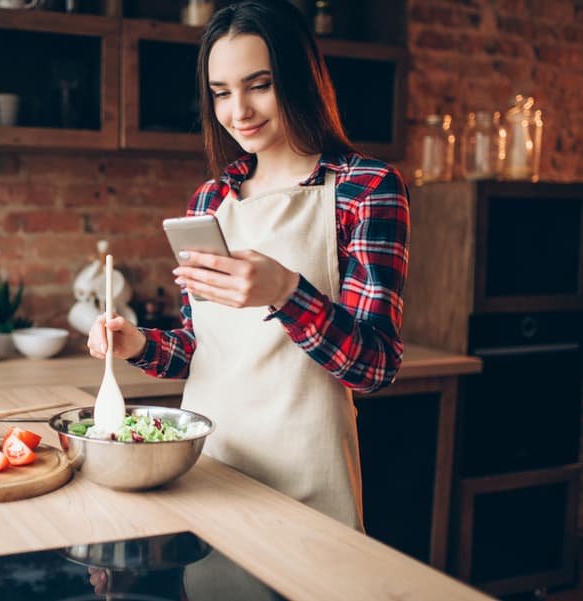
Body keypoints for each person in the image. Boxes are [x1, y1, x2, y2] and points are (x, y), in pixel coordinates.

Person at [87, 0, 409, 531]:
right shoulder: (210, 200)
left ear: (300, 78)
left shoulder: (366, 188)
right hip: (207, 470)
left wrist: (285, 291)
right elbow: (202, 349)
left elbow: (375, 366)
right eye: (221, 93)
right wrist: (137, 345)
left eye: (259, 85)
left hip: (308, 479)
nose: (239, 111)